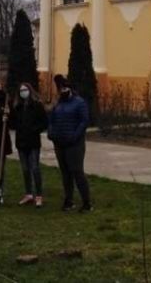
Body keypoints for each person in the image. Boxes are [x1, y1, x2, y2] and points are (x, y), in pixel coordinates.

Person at [47, 74, 92, 213]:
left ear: (70, 88)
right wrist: (51, 133)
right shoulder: (58, 104)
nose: (62, 90)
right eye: (60, 88)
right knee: (65, 173)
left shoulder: (79, 103)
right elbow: (51, 120)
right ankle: (69, 200)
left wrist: (75, 136)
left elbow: (84, 121)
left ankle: (86, 202)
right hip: (59, 142)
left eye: (65, 87)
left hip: (74, 144)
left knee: (77, 171)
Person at [11, 82, 48, 208]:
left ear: (30, 90)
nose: (23, 92)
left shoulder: (37, 105)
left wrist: (34, 129)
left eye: (25, 89)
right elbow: (13, 123)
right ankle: (28, 194)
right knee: (25, 169)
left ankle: (38, 195)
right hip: (21, 142)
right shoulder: (17, 107)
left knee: (35, 168)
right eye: (21, 90)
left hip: (33, 142)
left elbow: (44, 122)